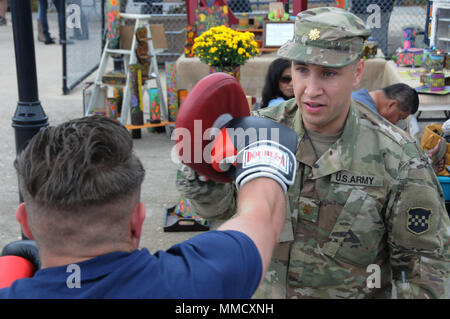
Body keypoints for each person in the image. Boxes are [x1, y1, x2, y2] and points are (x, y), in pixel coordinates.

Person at [176, 7, 450, 299]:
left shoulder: (399, 158)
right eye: (302, 70)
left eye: (328, 73)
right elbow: (216, 211)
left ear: (357, 72)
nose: (311, 89)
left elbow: (423, 268)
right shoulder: (257, 132)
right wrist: (201, 168)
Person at [0, 115, 294, 298]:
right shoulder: (201, 280)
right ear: (138, 221)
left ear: (25, 222)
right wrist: (264, 151)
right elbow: (263, 215)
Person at [351, 83, 419, 125]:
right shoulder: (369, 120)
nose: (395, 123)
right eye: (399, 117)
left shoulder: (355, 96)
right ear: (392, 104)